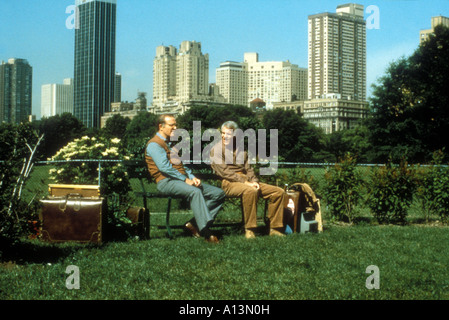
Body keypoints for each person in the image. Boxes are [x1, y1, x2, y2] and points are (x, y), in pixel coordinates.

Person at [145, 114, 225, 243]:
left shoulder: (170, 144)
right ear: (161, 126)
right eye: (172, 125)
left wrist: (192, 177)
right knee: (195, 192)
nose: (175, 127)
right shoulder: (154, 144)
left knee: (218, 194)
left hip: (179, 179)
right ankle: (206, 231)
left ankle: (193, 224)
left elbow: (181, 166)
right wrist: (185, 180)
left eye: (176, 125)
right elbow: (164, 168)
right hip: (165, 181)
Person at [210, 121, 286, 239]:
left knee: (278, 192)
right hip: (229, 183)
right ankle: (250, 229)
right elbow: (225, 172)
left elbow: (249, 168)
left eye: (228, 134)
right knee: (251, 191)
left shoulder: (241, 149)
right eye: (223, 133)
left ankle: (274, 228)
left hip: (247, 181)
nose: (225, 136)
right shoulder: (216, 150)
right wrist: (245, 183)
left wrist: (254, 181)